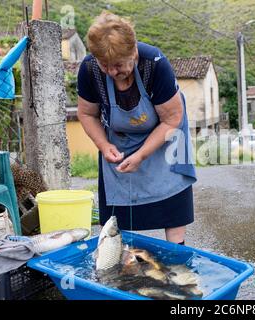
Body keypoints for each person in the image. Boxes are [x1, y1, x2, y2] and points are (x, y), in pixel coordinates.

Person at [76, 12, 196, 245]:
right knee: (115, 223)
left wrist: (141, 155)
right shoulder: (90, 69)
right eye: (105, 65)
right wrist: (104, 145)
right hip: (119, 140)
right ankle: (119, 266)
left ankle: (177, 264)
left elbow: (171, 119)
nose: (111, 72)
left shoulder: (155, 64)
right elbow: (87, 113)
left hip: (165, 136)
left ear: (133, 52)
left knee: (172, 209)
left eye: (119, 65)